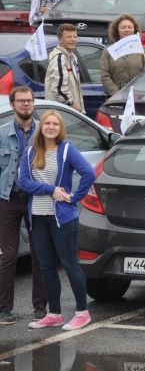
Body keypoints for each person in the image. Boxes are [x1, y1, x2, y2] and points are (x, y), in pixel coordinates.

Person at [19, 110, 95, 331]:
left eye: (55, 124)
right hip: (39, 218)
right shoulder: (30, 151)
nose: (50, 127)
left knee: (70, 265)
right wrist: (51, 189)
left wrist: (74, 198)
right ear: (41, 126)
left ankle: (82, 312)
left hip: (63, 218)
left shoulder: (67, 150)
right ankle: (54, 313)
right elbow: (23, 182)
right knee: (47, 267)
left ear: (60, 128)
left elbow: (88, 173)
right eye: (47, 123)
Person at [0, 87, 46, 326]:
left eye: (29, 101)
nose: (26, 104)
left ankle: (40, 306)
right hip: (9, 200)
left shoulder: (44, 132)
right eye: (21, 101)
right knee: (8, 256)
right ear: (12, 104)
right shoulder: (2, 133)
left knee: (40, 254)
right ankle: (4, 309)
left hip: (36, 200)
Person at [100, 14, 145, 96]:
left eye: (130, 27)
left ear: (134, 30)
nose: (127, 30)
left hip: (138, 97)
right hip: (116, 97)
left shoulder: (143, 50)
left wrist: (138, 94)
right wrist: (117, 94)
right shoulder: (108, 51)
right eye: (123, 27)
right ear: (117, 31)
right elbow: (105, 76)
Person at [45, 24, 84, 114]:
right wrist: (71, 103)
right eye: (69, 37)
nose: (73, 40)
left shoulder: (72, 57)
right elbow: (58, 88)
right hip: (62, 111)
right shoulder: (59, 58)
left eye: (75, 36)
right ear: (60, 39)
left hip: (69, 110)